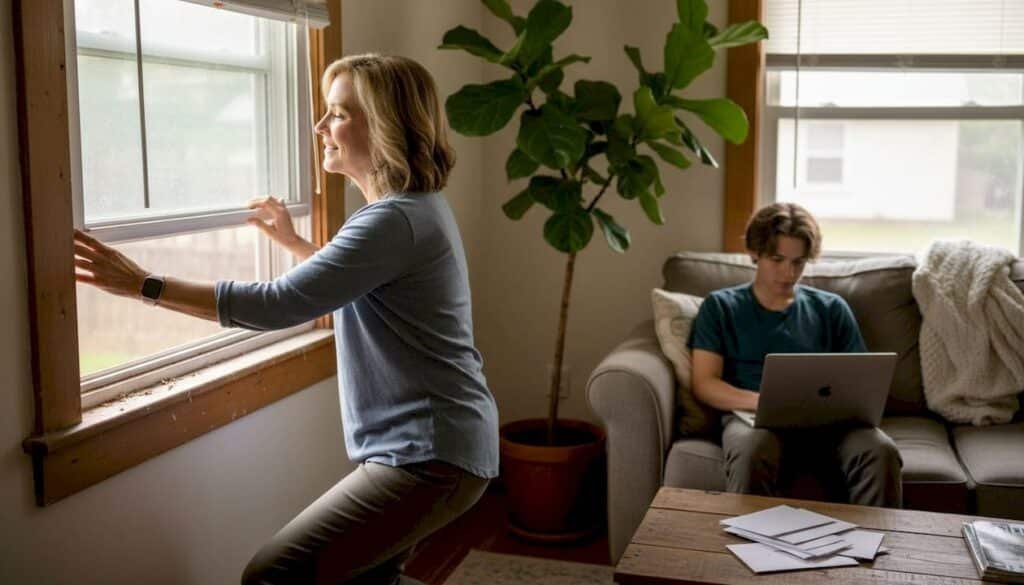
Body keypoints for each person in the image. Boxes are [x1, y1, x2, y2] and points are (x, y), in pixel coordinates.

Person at [73, 54, 498, 585]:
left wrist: (142, 285)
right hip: (440, 446)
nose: (320, 126)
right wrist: (299, 245)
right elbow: (360, 286)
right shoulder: (414, 209)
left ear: (385, 125)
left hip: (429, 457)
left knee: (274, 574)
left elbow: (276, 304)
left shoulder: (394, 220)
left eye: (338, 114)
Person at [687, 202, 902, 508]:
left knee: (879, 449)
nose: (788, 273)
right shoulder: (720, 307)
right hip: (754, 421)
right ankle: (750, 549)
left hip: (830, 423)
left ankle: (876, 548)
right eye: (777, 259)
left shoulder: (831, 308)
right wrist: (763, 402)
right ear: (755, 253)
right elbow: (705, 383)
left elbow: (862, 381)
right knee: (751, 450)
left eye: (798, 263)